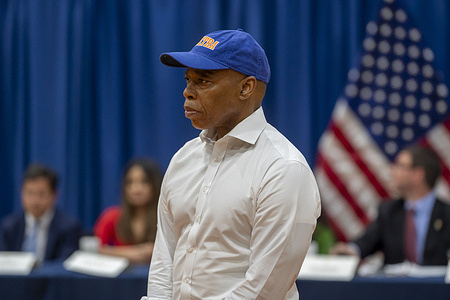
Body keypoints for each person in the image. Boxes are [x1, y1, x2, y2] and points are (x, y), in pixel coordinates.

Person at [140, 29, 321, 300]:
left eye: (203, 81)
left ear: (245, 88)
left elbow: (264, 289)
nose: (187, 92)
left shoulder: (283, 168)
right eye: (188, 80)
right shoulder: (183, 158)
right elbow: (165, 256)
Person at [330, 146, 450, 265]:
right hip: (395, 283)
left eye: (400, 166)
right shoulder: (389, 211)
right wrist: (349, 250)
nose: (392, 171)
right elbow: (367, 242)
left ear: (418, 175)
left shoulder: (446, 214)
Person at [0, 163, 82, 263]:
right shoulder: (9, 226)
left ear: (54, 195)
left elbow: (64, 265)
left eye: (41, 194)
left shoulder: (69, 228)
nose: (34, 201)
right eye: (29, 193)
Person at [94, 158, 162, 264]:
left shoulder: (166, 218)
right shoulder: (111, 217)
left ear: (155, 185)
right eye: (130, 182)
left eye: (144, 182)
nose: (136, 189)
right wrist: (137, 252)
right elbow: (97, 249)